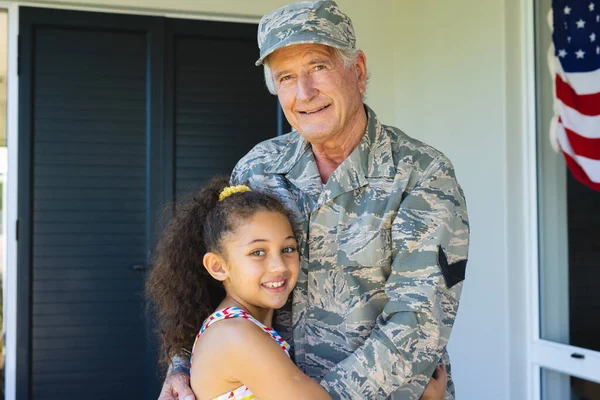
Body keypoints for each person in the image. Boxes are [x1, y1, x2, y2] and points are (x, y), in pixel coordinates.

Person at [158, 1, 469, 399]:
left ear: (357, 71)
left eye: (318, 67)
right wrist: (183, 366)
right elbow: (217, 278)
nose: (304, 92)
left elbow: (419, 322)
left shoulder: (421, 174)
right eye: (286, 76)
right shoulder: (259, 168)